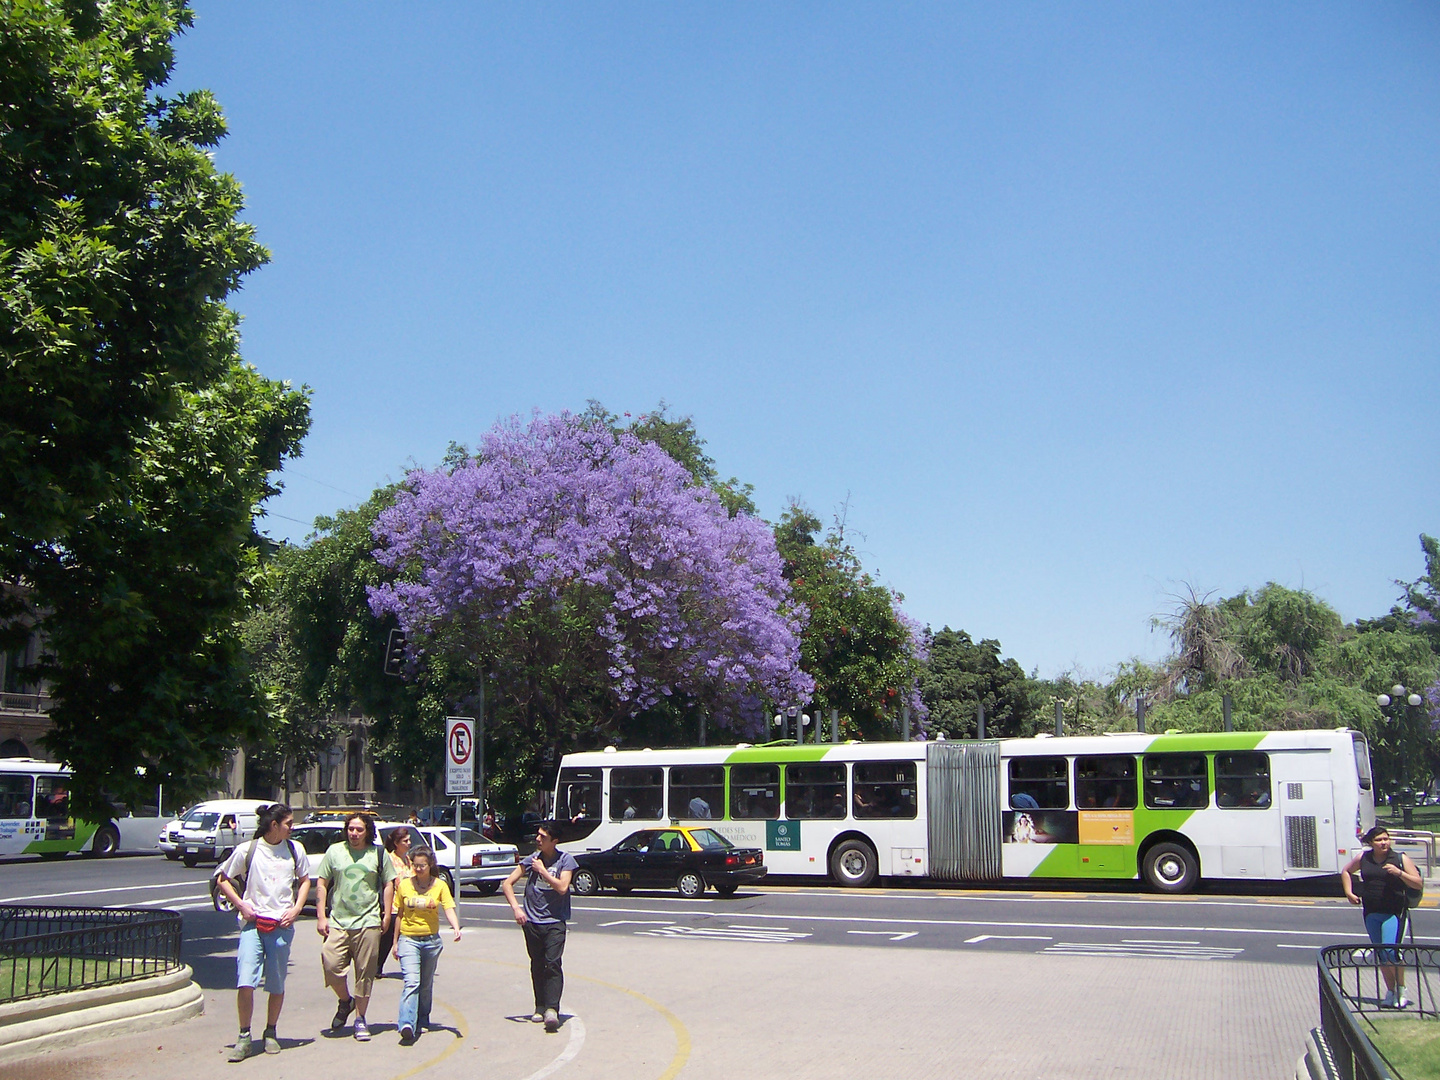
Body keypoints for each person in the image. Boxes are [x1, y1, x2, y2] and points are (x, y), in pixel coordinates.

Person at [214, 804, 310, 1062]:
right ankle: (244, 1036)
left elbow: (305, 880)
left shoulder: (294, 849)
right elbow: (222, 878)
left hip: (281, 925)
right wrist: (241, 904)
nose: (292, 827)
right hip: (252, 925)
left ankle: (270, 1032)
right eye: (289, 823)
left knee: (276, 983)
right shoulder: (249, 849)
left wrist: (297, 908)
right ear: (274, 824)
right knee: (246, 981)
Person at [315, 813, 396, 1041]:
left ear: (367, 831)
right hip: (339, 920)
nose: (354, 833)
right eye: (351, 829)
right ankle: (345, 1001)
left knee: (365, 974)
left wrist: (387, 914)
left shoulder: (378, 853)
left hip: (368, 921)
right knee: (330, 964)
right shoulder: (335, 851)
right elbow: (322, 883)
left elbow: (389, 883)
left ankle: (360, 1018)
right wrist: (321, 916)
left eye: (359, 830)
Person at [501, 822, 577, 1033]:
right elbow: (507, 883)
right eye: (538, 835)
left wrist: (543, 871)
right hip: (532, 921)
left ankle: (552, 1009)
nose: (538, 839)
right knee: (537, 963)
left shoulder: (565, 860)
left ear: (554, 841)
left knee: (552, 963)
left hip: (554, 922)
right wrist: (517, 909)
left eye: (543, 837)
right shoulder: (531, 860)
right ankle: (540, 1005)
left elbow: (562, 887)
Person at [1341, 825, 1422, 1008]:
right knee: (1381, 954)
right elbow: (1346, 871)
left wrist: (1399, 872)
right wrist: (1349, 893)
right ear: (1371, 843)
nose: (1383, 842)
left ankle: (1401, 989)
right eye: (1379, 840)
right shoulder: (1364, 858)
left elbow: (1417, 883)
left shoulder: (1399, 858)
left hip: (1394, 912)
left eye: (1386, 839)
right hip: (1371, 912)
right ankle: (1390, 991)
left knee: (1391, 952)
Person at [392, 845, 461, 1044]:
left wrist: (456, 927)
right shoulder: (404, 885)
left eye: (422, 865)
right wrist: (395, 942)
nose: (419, 869)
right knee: (412, 981)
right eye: (415, 865)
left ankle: (423, 1018)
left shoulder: (439, 885)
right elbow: (400, 914)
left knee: (425, 984)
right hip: (409, 939)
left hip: (431, 941)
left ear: (430, 865)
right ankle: (406, 1023)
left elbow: (448, 907)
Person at [376, 827, 415, 977]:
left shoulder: (408, 859)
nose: (409, 843)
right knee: (387, 939)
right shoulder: (389, 859)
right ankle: (376, 966)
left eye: (409, 840)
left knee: (406, 938)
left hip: (407, 907)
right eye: (405, 841)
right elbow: (389, 884)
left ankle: (410, 966)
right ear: (397, 843)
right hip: (393, 906)